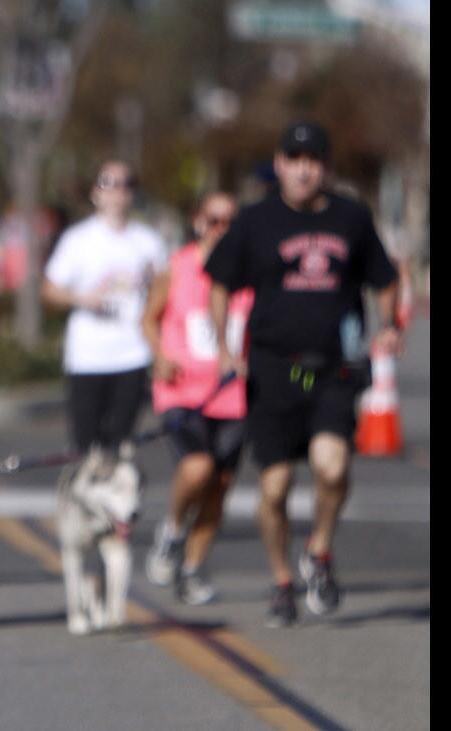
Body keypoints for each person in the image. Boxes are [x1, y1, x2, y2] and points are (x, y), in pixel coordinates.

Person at [204, 121, 401, 627]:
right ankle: (282, 580)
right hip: (271, 368)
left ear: (327, 167)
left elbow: (385, 279)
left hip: (332, 367)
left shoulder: (352, 218)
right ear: (279, 163)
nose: (304, 168)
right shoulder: (255, 220)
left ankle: (319, 550)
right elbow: (220, 283)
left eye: (314, 158)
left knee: (332, 467)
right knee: (273, 489)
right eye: (294, 158)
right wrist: (227, 348)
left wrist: (388, 328)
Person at [142, 192, 252, 605]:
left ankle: (192, 567)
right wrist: (161, 356)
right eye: (214, 220)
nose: (221, 229)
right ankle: (171, 532)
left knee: (220, 485)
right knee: (197, 467)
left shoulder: (248, 272)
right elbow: (148, 320)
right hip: (183, 392)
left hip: (233, 395)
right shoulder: (178, 266)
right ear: (198, 221)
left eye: (230, 222)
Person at [42, 160, 168, 454]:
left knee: (121, 444)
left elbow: (165, 287)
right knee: (85, 446)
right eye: (107, 183)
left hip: (132, 353)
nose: (116, 192)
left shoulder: (148, 241)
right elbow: (49, 289)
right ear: (95, 192)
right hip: (88, 355)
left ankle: (116, 498)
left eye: (124, 184)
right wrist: (81, 298)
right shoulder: (78, 239)